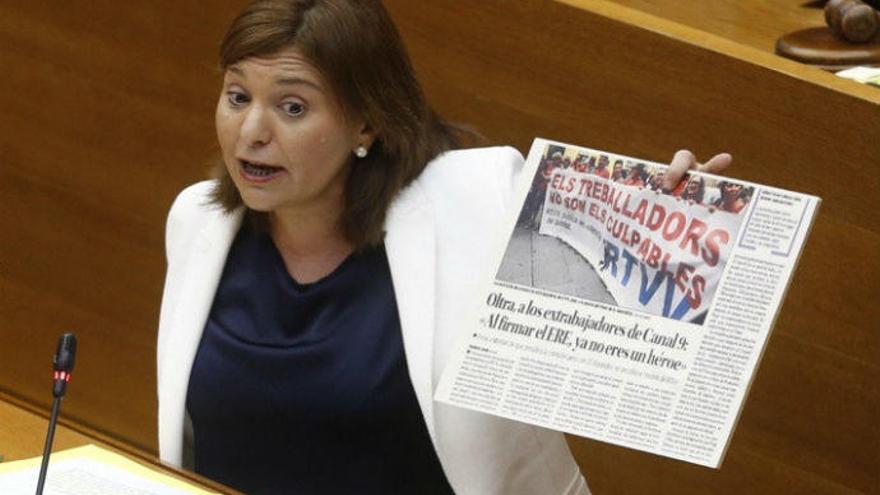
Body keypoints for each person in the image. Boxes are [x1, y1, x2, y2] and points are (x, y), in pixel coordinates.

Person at [156, 1, 732, 494]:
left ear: (365, 125)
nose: (251, 131)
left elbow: (641, 344)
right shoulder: (197, 221)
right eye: (237, 96)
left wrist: (672, 229)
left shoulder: (477, 202)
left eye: (293, 107)